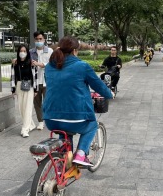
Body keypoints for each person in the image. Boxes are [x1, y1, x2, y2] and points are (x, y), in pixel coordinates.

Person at [43, 36, 113, 166]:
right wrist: (109, 94)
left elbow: (54, 86)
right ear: (75, 51)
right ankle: (81, 155)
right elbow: (98, 86)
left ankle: (62, 165)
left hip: (50, 118)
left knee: (64, 132)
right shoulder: (82, 66)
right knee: (92, 125)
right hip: (76, 118)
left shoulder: (48, 67)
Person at [11, 45, 38, 138]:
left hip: (29, 86)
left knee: (28, 108)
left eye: (24, 51)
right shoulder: (15, 63)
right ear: (18, 52)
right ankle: (31, 124)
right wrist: (13, 89)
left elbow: (35, 76)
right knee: (21, 108)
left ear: (27, 52)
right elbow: (13, 77)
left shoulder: (31, 63)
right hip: (19, 85)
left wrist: (35, 89)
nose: (22, 53)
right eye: (21, 51)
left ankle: (25, 129)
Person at [29, 31, 53, 130]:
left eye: (40, 39)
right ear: (34, 40)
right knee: (37, 102)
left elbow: (53, 64)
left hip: (47, 80)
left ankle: (49, 119)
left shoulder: (50, 51)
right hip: (35, 81)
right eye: (37, 39)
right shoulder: (31, 52)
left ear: (44, 40)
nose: (39, 41)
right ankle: (40, 121)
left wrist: (41, 64)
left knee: (47, 102)